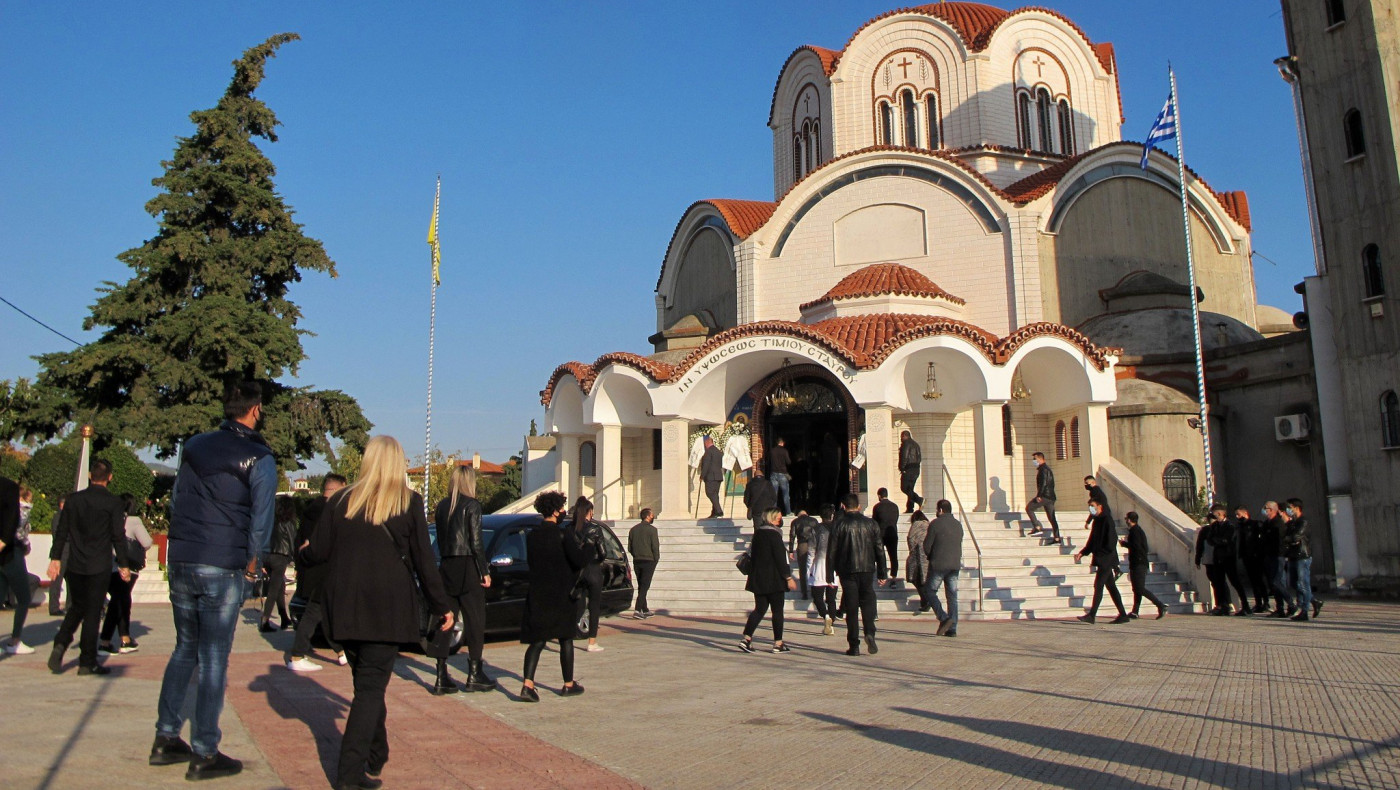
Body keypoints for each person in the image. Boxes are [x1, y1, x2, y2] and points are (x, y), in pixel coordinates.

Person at [300, 435, 454, 790]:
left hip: (344, 609)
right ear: (397, 463)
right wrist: (441, 605)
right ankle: (349, 776)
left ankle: (376, 752)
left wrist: (301, 553)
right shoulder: (408, 501)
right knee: (369, 690)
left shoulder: (340, 500)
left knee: (366, 685)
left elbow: (318, 550)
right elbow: (423, 561)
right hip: (386, 610)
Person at [150, 382, 276, 780]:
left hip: (184, 558)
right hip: (222, 562)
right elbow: (261, 521)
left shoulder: (194, 446)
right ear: (255, 410)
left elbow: (176, 500)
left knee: (184, 647)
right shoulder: (259, 456)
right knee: (214, 658)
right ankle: (205, 749)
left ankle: (166, 737)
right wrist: (253, 567)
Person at [47, 458, 129, 677]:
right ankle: (87, 661)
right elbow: (117, 537)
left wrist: (55, 558)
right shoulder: (113, 503)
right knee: (93, 613)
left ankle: (61, 644)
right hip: (99, 565)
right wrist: (123, 564)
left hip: (75, 564)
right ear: (110, 477)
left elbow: (62, 532)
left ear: (90, 476)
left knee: (76, 607)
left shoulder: (73, 500)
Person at [430, 464, 496, 694]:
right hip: (468, 565)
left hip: (447, 564)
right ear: (470, 482)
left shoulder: (442, 507)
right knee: (476, 620)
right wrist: (484, 570)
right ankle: (474, 673)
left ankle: (440, 675)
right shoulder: (472, 505)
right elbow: (476, 541)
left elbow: (439, 539)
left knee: (445, 620)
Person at [518, 490, 586, 702]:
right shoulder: (563, 534)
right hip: (561, 593)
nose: (564, 512)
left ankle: (528, 684)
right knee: (566, 637)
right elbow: (577, 560)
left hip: (538, 591)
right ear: (557, 511)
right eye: (562, 508)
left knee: (537, 640)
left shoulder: (532, 535)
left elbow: (532, 562)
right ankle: (568, 683)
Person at [288, 474, 348, 671]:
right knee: (315, 612)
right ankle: (297, 655)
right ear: (339, 488)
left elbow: (300, 542)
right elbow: (326, 542)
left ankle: (341, 652)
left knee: (325, 612)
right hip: (324, 570)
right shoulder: (330, 510)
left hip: (311, 570)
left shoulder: (310, 510)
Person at [828, 494, 887, 656]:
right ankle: (869, 632)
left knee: (852, 608)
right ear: (859, 506)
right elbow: (879, 550)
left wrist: (829, 574)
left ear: (843, 506)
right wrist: (883, 572)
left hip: (847, 571)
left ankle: (854, 645)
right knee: (868, 601)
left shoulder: (838, 525)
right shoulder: (871, 524)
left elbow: (831, 551)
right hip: (867, 568)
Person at [99, 494, 153, 654]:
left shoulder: (108, 519)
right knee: (118, 603)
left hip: (107, 566)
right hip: (127, 568)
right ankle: (105, 641)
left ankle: (125, 638)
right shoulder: (134, 521)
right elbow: (147, 542)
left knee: (122, 601)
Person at [740, 507, 793, 653]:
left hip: (758, 578)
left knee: (759, 609)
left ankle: (747, 638)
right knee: (777, 611)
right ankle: (778, 643)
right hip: (774, 579)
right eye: (778, 518)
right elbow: (780, 559)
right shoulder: (774, 535)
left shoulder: (758, 533)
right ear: (772, 518)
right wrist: (788, 577)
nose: (780, 520)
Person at [1075, 498, 1129, 624]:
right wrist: (1083, 552)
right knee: (1111, 586)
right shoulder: (1097, 521)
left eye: (1092, 506)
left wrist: (1102, 553)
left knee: (1098, 585)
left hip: (1106, 559)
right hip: (1102, 559)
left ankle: (1092, 615)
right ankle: (1123, 614)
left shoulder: (1107, 520)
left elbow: (1111, 540)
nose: (1091, 509)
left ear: (1100, 506)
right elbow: (1092, 540)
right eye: (1089, 506)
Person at [0, 475, 35, 655]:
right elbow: (13, 521)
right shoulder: (9, 487)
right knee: (23, 597)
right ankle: (15, 639)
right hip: (10, 551)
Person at [566, 497, 606, 652]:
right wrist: (596, 559)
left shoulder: (569, 528)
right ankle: (592, 641)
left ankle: (568, 635)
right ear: (589, 512)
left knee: (578, 603)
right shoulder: (595, 529)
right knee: (594, 606)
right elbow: (603, 552)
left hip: (577, 570)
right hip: (593, 569)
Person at [922, 500, 963, 636]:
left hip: (939, 563)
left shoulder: (935, 524)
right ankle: (953, 628)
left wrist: (932, 555)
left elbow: (927, 546)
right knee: (952, 596)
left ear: (940, 510)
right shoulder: (958, 524)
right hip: (954, 564)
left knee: (929, 590)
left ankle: (944, 618)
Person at [259, 497, 298, 632]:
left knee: (279, 587)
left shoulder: (271, 522)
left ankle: (284, 617)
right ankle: (265, 620)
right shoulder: (289, 523)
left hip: (268, 556)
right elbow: (292, 542)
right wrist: (295, 560)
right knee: (274, 590)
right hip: (281, 557)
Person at [1118, 512, 1167, 620]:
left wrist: (1125, 544)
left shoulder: (1134, 532)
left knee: (1139, 588)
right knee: (1136, 588)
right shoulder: (1138, 531)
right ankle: (1135, 611)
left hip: (1138, 563)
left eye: (1126, 518)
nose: (1126, 520)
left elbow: (1136, 546)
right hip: (1139, 562)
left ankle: (1160, 605)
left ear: (1130, 520)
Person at [1209, 505, 1250, 616]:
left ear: (1220, 513)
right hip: (1218, 557)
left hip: (1228, 557)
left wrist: (1218, 540)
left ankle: (1245, 605)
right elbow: (1210, 539)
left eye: (1214, 513)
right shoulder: (1214, 526)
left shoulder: (1230, 526)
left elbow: (1227, 540)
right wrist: (1217, 540)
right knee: (1219, 582)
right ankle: (1224, 605)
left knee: (1235, 581)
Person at [1283, 498, 1318, 622]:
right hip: (1293, 555)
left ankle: (1304, 610)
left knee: (1303, 584)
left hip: (1302, 555)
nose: (1288, 510)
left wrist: (1290, 538)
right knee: (1293, 583)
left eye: (1290, 507)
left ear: (1296, 508)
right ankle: (1313, 601)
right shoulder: (1292, 522)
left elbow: (1295, 537)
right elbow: (1286, 536)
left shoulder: (1303, 521)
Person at [807, 505, 837, 635]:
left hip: (820, 564)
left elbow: (811, 550)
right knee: (831, 598)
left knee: (817, 596)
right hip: (834, 566)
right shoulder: (838, 528)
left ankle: (825, 616)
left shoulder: (816, 529)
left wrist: (809, 568)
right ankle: (832, 621)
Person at [1235, 506, 1271, 613]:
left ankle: (1265, 602)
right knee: (1253, 581)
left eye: (1239, 514)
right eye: (1236, 515)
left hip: (1256, 556)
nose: (1237, 517)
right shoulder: (1240, 526)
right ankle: (1258, 602)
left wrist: (1258, 552)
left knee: (1259, 580)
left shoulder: (1255, 524)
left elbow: (1260, 539)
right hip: (1246, 556)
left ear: (1245, 513)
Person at [1260, 501, 1292, 617]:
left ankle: (1291, 604)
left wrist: (1282, 555)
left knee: (1277, 582)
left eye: (1266, 508)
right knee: (1273, 584)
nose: (1264, 510)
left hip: (1278, 556)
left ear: (1272, 510)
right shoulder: (1266, 523)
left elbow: (1280, 542)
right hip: (1268, 556)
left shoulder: (1278, 523)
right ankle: (1280, 608)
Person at [629, 508, 659, 619]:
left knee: (642, 585)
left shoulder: (633, 530)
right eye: (652, 515)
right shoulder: (652, 530)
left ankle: (645, 609)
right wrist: (656, 559)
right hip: (648, 561)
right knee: (645, 586)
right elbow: (655, 547)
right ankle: (637, 609)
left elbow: (630, 547)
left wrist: (636, 555)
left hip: (637, 560)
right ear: (648, 516)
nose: (653, 516)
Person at [1026, 452, 1060, 544]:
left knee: (1029, 508)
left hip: (1045, 496)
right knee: (1052, 517)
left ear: (1040, 459)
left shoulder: (1043, 470)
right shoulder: (1046, 469)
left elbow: (1044, 483)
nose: (1034, 461)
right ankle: (1057, 538)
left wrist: (1039, 495)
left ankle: (1036, 526)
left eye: (1035, 459)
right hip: (1050, 497)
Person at [871, 488, 900, 583]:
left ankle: (881, 576)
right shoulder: (895, 506)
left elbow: (874, 522)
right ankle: (894, 578)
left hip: (881, 535)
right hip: (892, 533)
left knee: (880, 555)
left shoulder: (877, 507)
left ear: (879, 496)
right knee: (893, 556)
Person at [47, 493, 70, 615]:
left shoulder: (65, 516)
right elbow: (58, 535)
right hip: (62, 552)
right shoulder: (59, 516)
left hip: (67, 551)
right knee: (57, 580)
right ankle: (54, 607)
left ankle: (70, 605)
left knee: (70, 580)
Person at [905, 509, 931, 614]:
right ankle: (926, 600)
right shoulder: (929, 525)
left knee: (916, 579)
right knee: (923, 580)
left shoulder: (915, 525)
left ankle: (926, 600)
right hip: (927, 556)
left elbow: (911, 538)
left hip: (917, 557)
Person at [787, 508, 816, 599]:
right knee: (814, 568)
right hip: (813, 544)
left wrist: (791, 550)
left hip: (802, 545)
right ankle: (815, 592)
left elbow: (792, 536)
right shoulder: (814, 521)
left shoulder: (795, 521)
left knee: (802, 569)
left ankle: (804, 593)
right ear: (807, 514)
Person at [897, 431, 924, 512]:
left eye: (901, 437)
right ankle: (910, 508)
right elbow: (919, 458)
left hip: (908, 469)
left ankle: (919, 500)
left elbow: (904, 457)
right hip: (916, 469)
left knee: (904, 488)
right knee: (910, 489)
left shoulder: (906, 444)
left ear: (905, 436)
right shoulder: (916, 444)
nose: (901, 439)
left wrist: (902, 468)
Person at [700, 437, 725, 519]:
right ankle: (714, 512)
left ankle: (719, 510)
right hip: (718, 476)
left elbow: (706, 465)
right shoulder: (718, 451)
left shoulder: (708, 452)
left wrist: (702, 476)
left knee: (710, 493)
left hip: (711, 476)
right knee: (715, 494)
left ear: (707, 443)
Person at [768, 437, 792, 515]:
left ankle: (773, 513)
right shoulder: (784, 451)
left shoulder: (772, 451)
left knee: (774, 494)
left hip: (773, 474)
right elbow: (788, 462)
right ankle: (788, 512)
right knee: (785, 494)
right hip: (782, 474)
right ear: (782, 443)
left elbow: (768, 461)